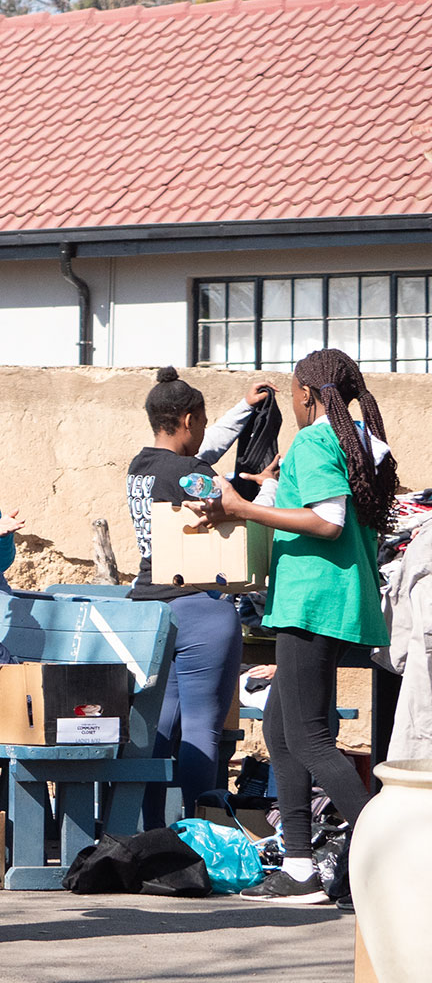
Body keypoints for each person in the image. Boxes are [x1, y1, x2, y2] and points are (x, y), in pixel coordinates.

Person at [198, 349, 396, 905]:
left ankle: (389, 855)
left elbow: (326, 523)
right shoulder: (356, 438)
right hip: (329, 601)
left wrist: (242, 508)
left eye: (292, 390)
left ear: (306, 392)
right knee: (283, 731)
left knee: (307, 737)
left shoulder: (315, 440)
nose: (291, 398)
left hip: (313, 600)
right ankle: (301, 868)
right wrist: (261, 495)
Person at [126, 369, 276, 829]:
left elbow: (198, 456)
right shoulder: (192, 473)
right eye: (204, 421)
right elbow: (235, 508)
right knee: (202, 729)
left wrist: (241, 411)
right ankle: (201, 836)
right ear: (189, 418)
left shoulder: (141, 467)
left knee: (160, 728)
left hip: (149, 608)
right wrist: (268, 485)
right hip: (199, 609)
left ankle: (151, 834)